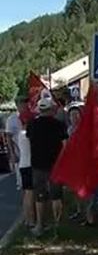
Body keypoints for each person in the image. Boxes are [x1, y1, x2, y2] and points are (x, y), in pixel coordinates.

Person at [27, 96, 68, 237]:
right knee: (56, 195)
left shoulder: (32, 124)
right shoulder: (59, 125)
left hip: (38, 164)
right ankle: (57, 226)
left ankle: (40, 225)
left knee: (40, 195)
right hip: (56, 164)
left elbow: (28, 142)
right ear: (51, 110)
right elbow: (65, 146)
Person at [4, 97, 29, 190]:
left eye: (26, 104)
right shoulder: (12, 119)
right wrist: (12, 154)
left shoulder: (32, 116)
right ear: (17, 106)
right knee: (22, 182)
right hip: (19, 151)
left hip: (31, 152)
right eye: (22, 104)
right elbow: (8, 137)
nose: (24, 106)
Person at [17, 118, 35, 228]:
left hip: (22, 165)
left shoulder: (20, 134)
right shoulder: (28, 136)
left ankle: (26, 218)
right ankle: (31, 220)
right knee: (30, 194)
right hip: (29, 165)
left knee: (26, 194)